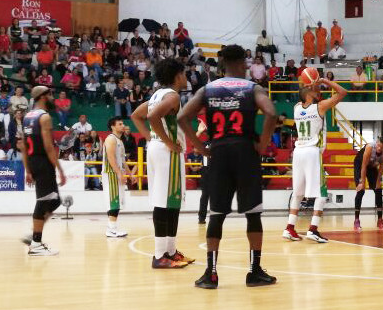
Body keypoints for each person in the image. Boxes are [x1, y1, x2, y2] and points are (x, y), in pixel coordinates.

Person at [179, 44, 278, 289]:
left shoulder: (208, 89)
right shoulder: (252, 88)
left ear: (222, 64)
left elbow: (182, 117)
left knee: (216, 214)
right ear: (243, 63)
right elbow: (271, 113)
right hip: (245, 152)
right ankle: (254, 272)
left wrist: (200, 148)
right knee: (253, 214)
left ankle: (211, 274)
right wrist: (263, 144)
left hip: (219, 152)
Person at [130, 58, 193, 269]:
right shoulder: (172, 96)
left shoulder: (158, 94)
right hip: (166, 151)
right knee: (163, 201)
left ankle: (171, 251)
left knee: (171, 201)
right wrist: (166, 141)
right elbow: (152, 116)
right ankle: (159, 255)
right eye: (184, 73)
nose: (186, 77)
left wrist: (151, 138)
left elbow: (136, 116)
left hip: (159, 149)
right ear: (177, 75)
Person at [283, 72, 347, 243]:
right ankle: (313, 229)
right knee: (322, 193)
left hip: (298, 153)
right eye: (316, 89)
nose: (319, 91)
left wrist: (310, 84)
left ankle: (289, 228)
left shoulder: (296, 107)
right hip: (312, 152)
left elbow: (304, 91)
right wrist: (325, 80)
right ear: (309, 92)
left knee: (298, 193)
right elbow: (343, 92)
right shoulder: (320, 107)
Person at [20, 86, 65, 256]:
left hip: (34, 162)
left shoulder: (27, 117)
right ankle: (36, 244)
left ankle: (34, 234)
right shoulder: (44, 117)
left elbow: (23, 146)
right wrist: (60, 169)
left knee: (55, 201)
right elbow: (48, 146)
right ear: (43, 97)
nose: (53, 98)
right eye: (50, 95)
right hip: (43, 162)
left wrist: (28, 170)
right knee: (44, 201)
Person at [102, 116, 134, 238]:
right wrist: (119, 174)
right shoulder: (111, 139)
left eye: (123, 123)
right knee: (114, 201)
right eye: (120, 124)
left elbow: (123, 161)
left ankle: (112, 228)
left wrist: (130, 174)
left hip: (117, 173)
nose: (123, 125)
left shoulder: (119, 141)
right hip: (111, 174)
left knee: (117, 202)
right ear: (113, 126)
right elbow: (111, 158)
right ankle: (111, 230)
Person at [354, 137, 383, 231]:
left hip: (372, 166)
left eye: (382, 147)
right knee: (361, 190)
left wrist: (378, 181)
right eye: (378, 146)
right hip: (360, 164)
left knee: (378, 190)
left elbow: (382, 166)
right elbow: (363, 166)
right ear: (376, 143)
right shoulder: (370, 147)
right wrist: (362, 182)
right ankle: (356, 220)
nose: (379, 148)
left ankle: (380, 221)